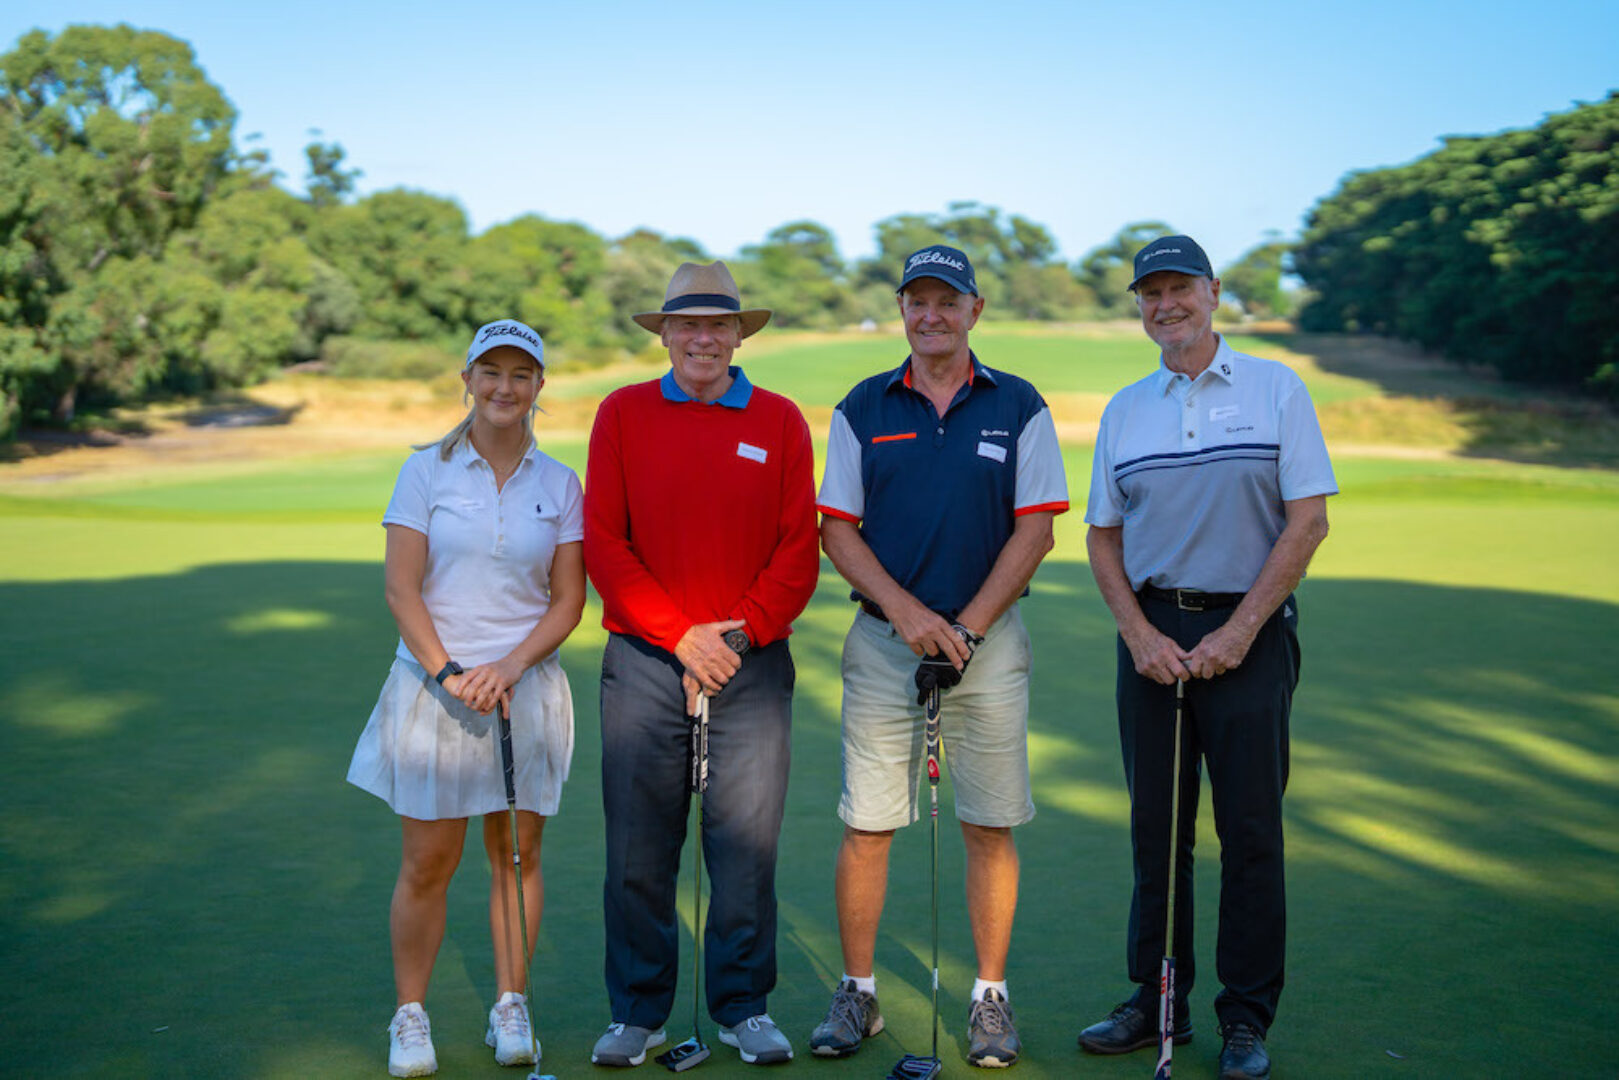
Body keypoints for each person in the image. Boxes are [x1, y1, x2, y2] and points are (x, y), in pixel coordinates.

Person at [1076, 235, 1336, 1080]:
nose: (1165, 305)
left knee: (1250, 831)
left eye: (1178, 288)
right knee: (1157, 831)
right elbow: (1102, 536)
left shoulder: (1274, 387)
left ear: (1213, 291)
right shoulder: (1126, 409)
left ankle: (1245, 1018)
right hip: (1153, 634)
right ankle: (1157, 1000)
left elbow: (1307, 521)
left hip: (1248, 632)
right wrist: (1137, 635)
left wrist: (1238, 632)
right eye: (1149, 293)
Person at [811, 244, 1069, 1069]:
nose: (931, 316)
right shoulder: (861, 406)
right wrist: (911, 615)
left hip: (987, 651)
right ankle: (857, 992)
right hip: (884, 646)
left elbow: (1036, 529)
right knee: (867, 825)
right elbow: (837, 531)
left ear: (973, 310)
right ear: (901, 310)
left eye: (946, 301)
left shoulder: (1018, 404)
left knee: (988, 824)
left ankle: (988, 997)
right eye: (916, 301)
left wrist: (967, 630)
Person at [583, 261, 819, 1068]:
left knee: (744, 848)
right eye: (687, 325)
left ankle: (743, 1007)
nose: (703, 339)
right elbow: (605, 543)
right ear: (666, 334)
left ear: (738, 336)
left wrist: (731, 642)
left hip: (751, 666)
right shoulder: (622, 413)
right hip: (645, 663)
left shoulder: (779, 419)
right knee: (638, 849)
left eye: (718, 325)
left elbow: (797, 551)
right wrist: (682, 638)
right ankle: (637, 1011)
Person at [346, 318, 585, 1078]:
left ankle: (510, 1004)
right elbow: (401, 588)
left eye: (520, 374)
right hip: (435, 688)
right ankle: (410, 1015)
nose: (504, 387)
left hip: (525, 688)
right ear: (468, 378)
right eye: (491, 372)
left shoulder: (560, 483)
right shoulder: (425, 471)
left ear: (539, 385)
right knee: (428, 862)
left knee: (517, 854)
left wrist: (508, 667)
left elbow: (568, 601)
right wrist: (451, 673)